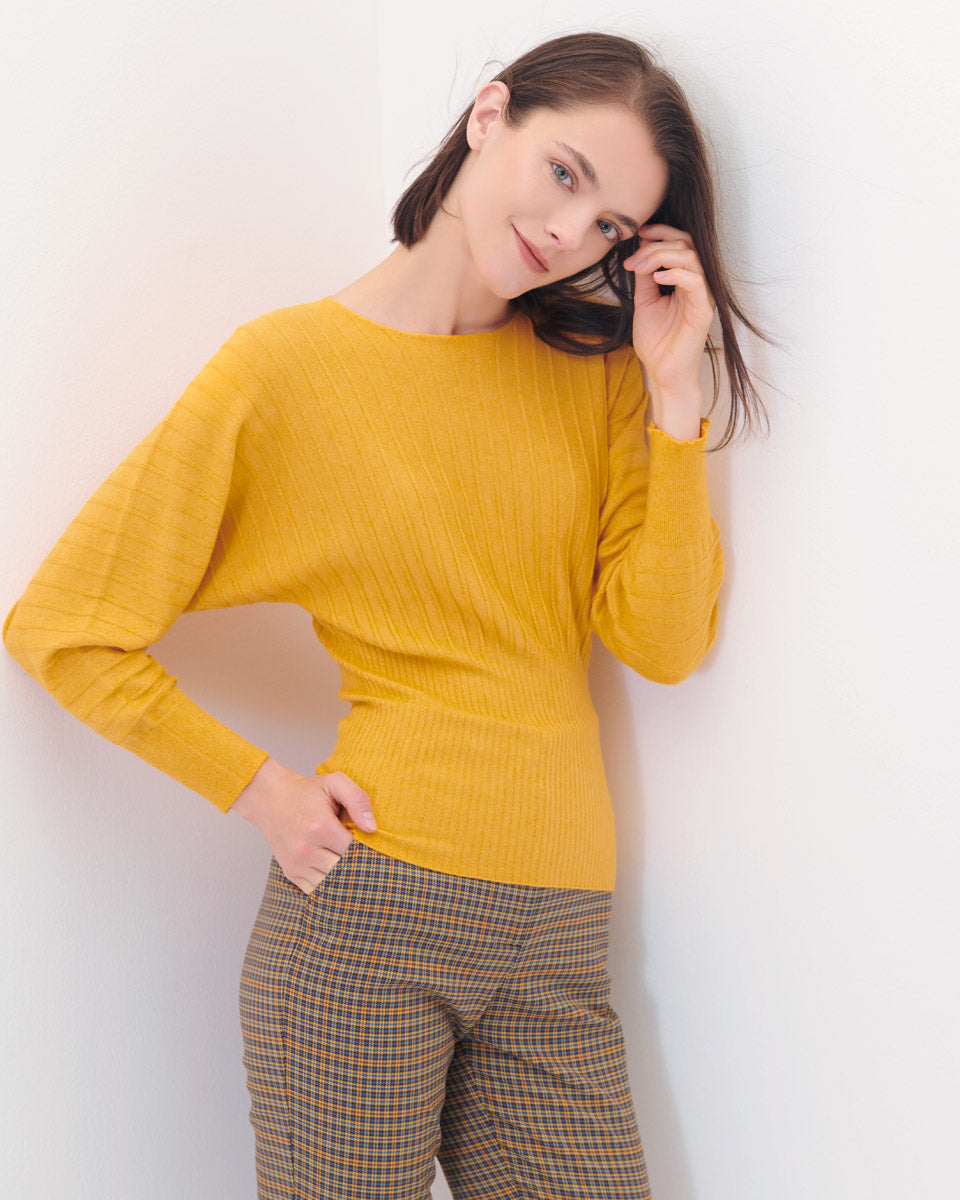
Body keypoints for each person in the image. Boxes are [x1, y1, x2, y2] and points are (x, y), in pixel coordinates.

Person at [3, 29, 769, 1200]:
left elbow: (664, 645)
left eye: (612, 225)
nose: (569, 232)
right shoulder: (287, 370)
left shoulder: (603, 376)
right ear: (489, 117)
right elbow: (63, 624)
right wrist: (261, 789)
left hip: (560, 930)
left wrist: (675, 394)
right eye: (564, 172)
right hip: (371, 917)